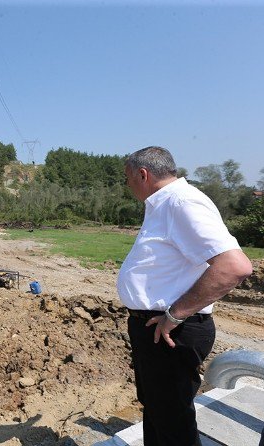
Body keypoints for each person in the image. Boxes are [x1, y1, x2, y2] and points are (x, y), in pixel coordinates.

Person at [117, 146, 253, 446]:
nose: (127, 186)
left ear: (143, 174)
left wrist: (175, 314)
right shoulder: (163, 205)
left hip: (172, 332)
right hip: (157, 330)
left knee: (173, 425)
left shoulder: (181, 202)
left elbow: (234, 266)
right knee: (158, 412)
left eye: (128, 178)